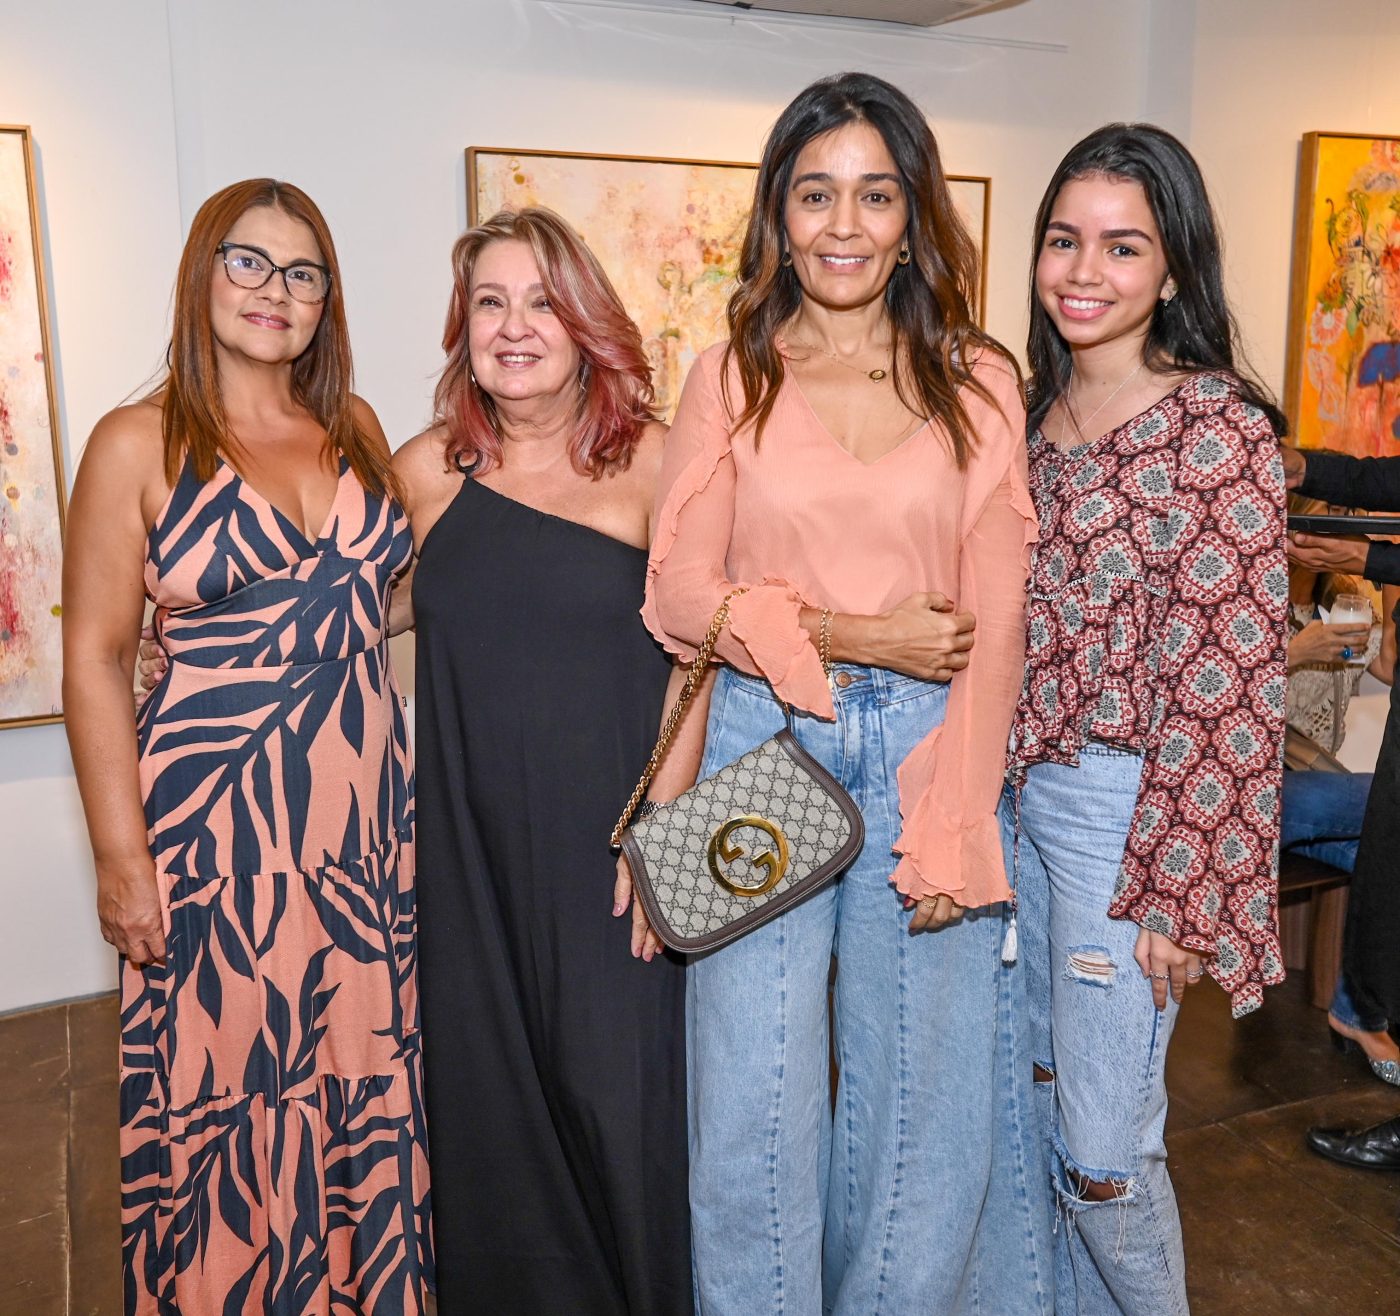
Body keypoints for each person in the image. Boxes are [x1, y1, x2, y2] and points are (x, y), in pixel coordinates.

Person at [645, 73, 1046, 1314]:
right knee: (747, 1094)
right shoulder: (730, 374)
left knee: (922, 1104)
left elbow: (997, 622)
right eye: (814, 193)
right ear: (777, 214)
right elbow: (675, 592)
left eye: (875, 195)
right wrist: (852, 627)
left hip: (934, 746)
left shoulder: (979, 381)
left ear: (912, 215)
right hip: (763, 739)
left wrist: (959, 816)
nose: (842, 224)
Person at [63, 180, 432, 1311]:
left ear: (327, 299)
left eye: (303, 270)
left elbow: (384, 601)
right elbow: (93, 656)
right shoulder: (138, 441)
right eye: (249, 262)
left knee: (360, 1082)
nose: (276, 290)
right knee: (229, 1104)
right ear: (200, 274)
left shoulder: (357, 428)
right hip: (216, 837)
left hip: (364, 839)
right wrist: (124, 862)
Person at [392, 207, 695, 1313]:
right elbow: (343, 610)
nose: (514, 327)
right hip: (467, 856)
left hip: (611, 853)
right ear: (460, 326)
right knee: (489, 1109)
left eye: (540, 301)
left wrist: (662, 836)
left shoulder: (654, 463)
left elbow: (705, 654)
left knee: (622, 1109)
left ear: (584, 324)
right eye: (489, 302)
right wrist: (189, 641)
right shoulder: (428, 469)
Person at [1008, 124, 1289, 1314]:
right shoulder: (1023, 415)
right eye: (1062, 240)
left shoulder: (1213, 428)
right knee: (1033, 1116)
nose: (1083, 270)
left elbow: (1231, 679)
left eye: (1122, 247)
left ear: (1172, 268)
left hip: (1126, 821)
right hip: (1012, 807)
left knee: (1103, 1156)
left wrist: (1182, 887)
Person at [1285, 445, 1400, 1167]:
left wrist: (1370, 561)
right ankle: (1360, 1007)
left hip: (1282, 775)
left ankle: (1359, 1006)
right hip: (1242, 785)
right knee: (1382, 842)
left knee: (1381, 848)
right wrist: (1308, 467)